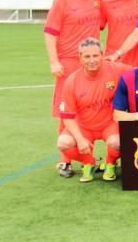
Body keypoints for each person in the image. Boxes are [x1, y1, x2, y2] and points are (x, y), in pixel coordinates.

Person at [56, 38, 131, 182]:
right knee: (63, 143)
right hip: (84, 126)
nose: (92, 60)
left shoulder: (115, 69)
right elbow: (67, 116)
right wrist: (79, 139)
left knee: (118, 143)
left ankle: (110, 162)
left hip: (109, 123)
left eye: (95, 56)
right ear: (80, 58)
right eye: (87, 56)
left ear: (102, 55)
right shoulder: (72, 81)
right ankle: (89, 162)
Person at [44, 0, 106, 123]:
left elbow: (108, 19)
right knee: (67, 111)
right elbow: (50, 33)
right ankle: (67, 148)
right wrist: (54, 62)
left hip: (92, 63)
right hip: (69, 63)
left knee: (89, 109)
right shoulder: (62, 1)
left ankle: (86, 147)